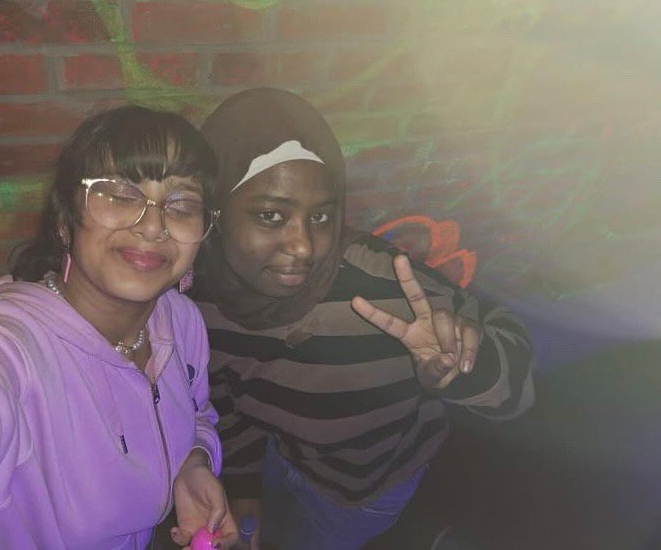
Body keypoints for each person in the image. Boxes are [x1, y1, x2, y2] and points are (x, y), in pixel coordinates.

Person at [190, 88, 535, 550]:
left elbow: (518, 392)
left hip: (363, 494)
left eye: (321, 216)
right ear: (215, 211)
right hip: (281, 458)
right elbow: (227, 397)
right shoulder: (199, 301)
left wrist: (463, 368)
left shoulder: (385, 288)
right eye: (270, 215)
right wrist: (244, 484)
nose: (303, 247)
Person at [0, 106, 238, 549]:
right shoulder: (11, 347)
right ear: (64, 221)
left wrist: (194, 462)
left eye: (182, 204)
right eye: (120, 194)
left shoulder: (181, 320)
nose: (153, 226)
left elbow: (198, 413)